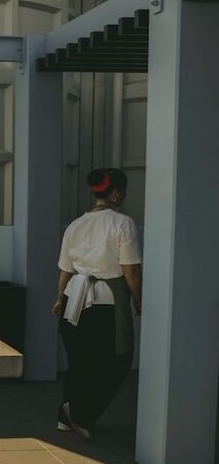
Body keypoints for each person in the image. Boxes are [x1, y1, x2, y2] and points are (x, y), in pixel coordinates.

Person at [52, 168, 142, 439]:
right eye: (123, 193)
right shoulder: (122, 223)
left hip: (73, 300)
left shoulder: (76, 225)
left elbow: (65, 270)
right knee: (117, 361)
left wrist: (59, 299)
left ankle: (66, 417)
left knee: (79, 362)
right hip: (105, 303)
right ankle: (81, 414)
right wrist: (139, 299)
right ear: (115, 194)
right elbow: (130, 270)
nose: (124, 197)